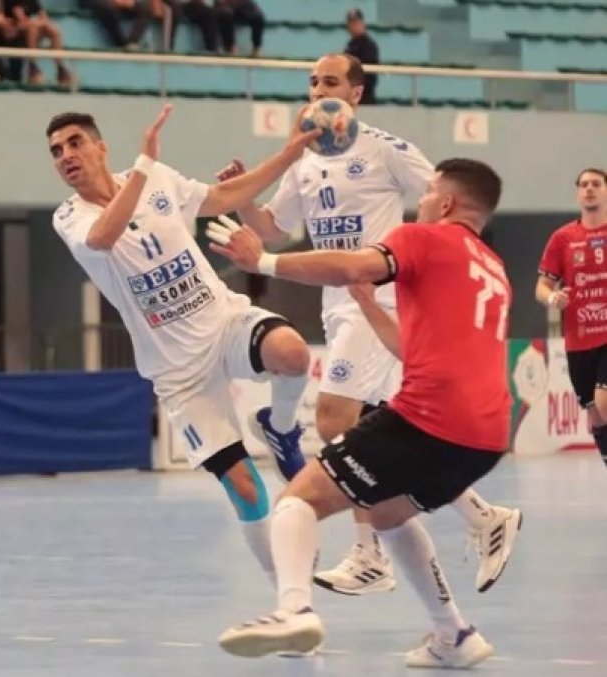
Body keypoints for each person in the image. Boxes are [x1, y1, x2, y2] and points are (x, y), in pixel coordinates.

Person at [216, 52, 521, 597]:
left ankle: (368, 555)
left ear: (355, 94)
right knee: (389, 428)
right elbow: (274, 226)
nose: (317, 90)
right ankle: (482, 518)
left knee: (335, 421)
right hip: (341, 302)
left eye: (330, 82)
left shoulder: (386, 149)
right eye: (311, 82)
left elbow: (448, 203)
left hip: (378, 295)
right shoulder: (305, 161)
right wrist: (246, 202)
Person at [211, 158, 509, 668]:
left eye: (430, 190)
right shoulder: (492, 267)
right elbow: (412, 351)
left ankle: (293, 610)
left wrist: (263, 262)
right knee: (389, 513)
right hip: (485, 436)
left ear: (448, 202)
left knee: (297, 501)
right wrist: (368, 304)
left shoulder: (422, 237)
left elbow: (352, 263)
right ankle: (454, 635)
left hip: (429, 416)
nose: (423, 199)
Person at [46, 105, 320, 591]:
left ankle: (280, 428)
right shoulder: (70, 216)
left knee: (293, 353)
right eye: (56, 152)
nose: (66, 155)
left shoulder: (157, 180)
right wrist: (145, 164)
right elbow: (105, 235)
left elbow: (223, 196)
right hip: (178, 374)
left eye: (74, 143)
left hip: (224, 322)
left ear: (100, 146)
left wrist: (289, 154)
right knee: (245, 489)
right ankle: (290, 597)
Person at [536, 167, 607, 466]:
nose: (589, 189)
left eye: (596, 184)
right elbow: (542, 286)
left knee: (604, 404)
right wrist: (553, 297)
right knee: (595, 416)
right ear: (578, 192)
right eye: (584, 185)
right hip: (578, 344)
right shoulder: (563, 238)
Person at [344, 8, 379, 104]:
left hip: (365, 97)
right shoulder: (350, 45)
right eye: (351, 23)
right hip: (350, 96)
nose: (353, 26)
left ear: (362, 23)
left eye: (356, 22)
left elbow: (370, 76)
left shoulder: (369, 45)